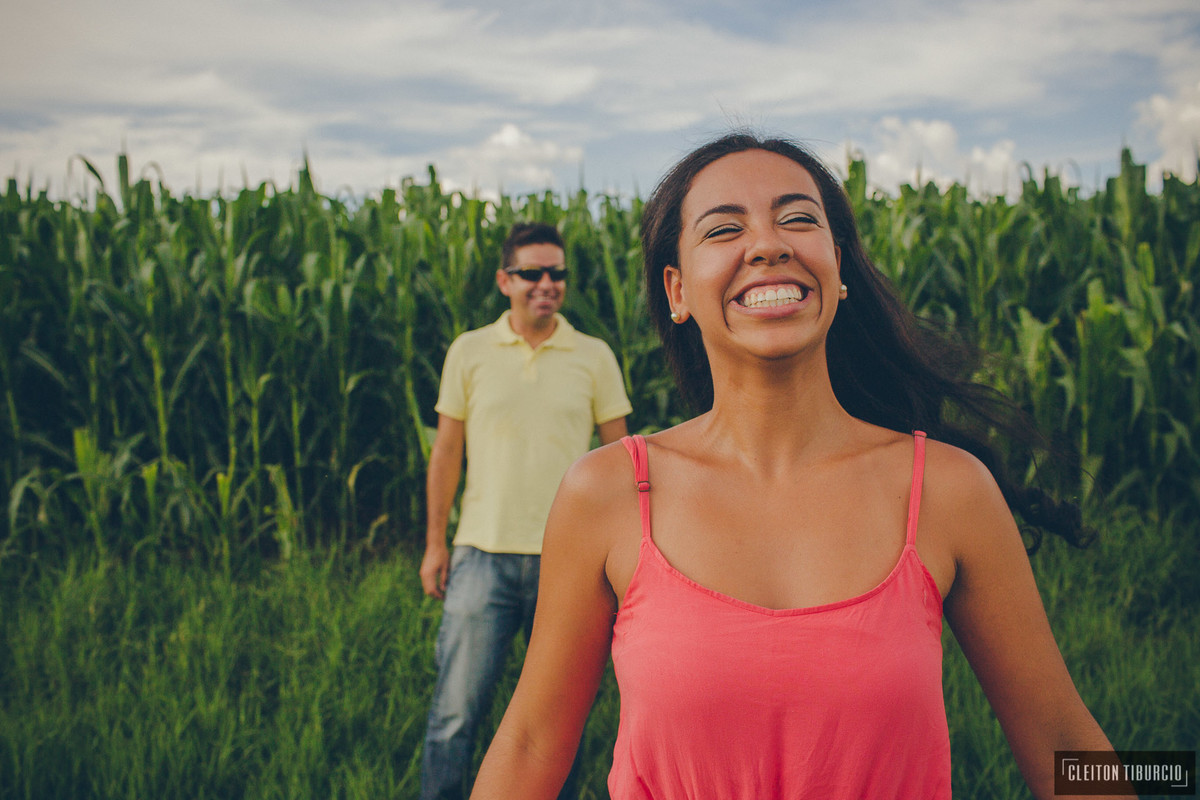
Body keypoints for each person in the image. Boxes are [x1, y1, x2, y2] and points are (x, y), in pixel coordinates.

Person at [468, 134, 1130, 799]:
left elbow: (1063, 742)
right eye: (725, 228)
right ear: (677, 289)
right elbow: (530, 744)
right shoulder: (607, 492)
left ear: (837, 268)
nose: (768, 244)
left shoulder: (948, 491)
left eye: (799, 218)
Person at [418, 221, 632, 800]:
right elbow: (447, 453)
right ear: (503, 280)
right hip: (481, 556)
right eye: (532, 273)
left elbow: (622, 459)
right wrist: (437, 543)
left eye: (557, 274)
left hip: (569, 566)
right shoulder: (470, 351)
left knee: (555, 726)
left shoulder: (593, 356)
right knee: (455, 716)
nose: (547, 284)